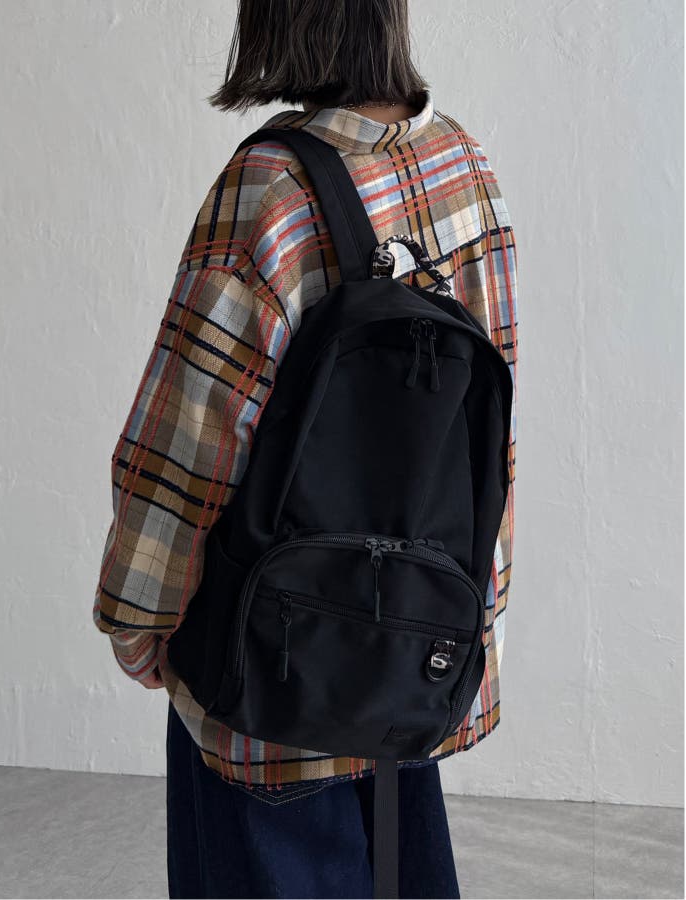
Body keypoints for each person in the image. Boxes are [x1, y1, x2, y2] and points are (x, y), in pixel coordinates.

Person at [91, 2, 518, 897]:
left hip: (271, 682)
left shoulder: (270, 192)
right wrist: (471, 620)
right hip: (416, 662)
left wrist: (139, 627)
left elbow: (184, 451)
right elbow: (489, 441)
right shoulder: (465, 167)